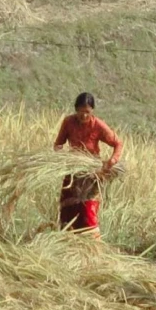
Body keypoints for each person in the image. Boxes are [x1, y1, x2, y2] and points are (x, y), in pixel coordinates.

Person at [54, 92, 123, 232]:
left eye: (87, 112)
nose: (83, 115)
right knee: (68, 210)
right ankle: (67, 243)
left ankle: (92, 245)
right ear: (76, 109)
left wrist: (112, 161)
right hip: (72, 171)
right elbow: (58, 144)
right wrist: (60, 156)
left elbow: (118, 143)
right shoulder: (68, 122)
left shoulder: (98, 125)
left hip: (91, 173)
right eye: (80, 111)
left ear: (92, 111)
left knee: (87, 211)